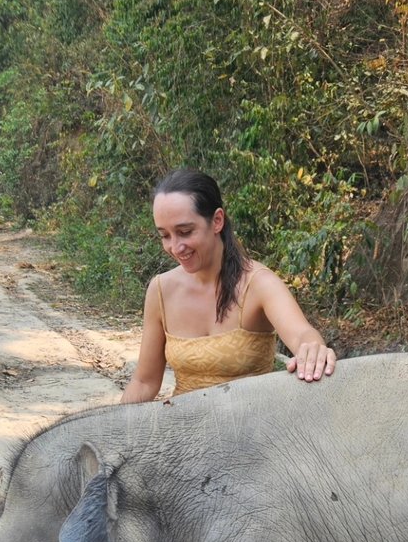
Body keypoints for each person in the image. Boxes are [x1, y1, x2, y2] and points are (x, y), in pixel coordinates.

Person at [121, 169, 336, 403]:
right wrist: (113, 423)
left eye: (185, 232)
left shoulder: (258, 283)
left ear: (217, 221)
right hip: (184, 423)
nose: (175, 247)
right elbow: (144, 382)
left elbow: (302, 334)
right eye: (165, 235)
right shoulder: (161, 290)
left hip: (251, 422)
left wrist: (313, 349)